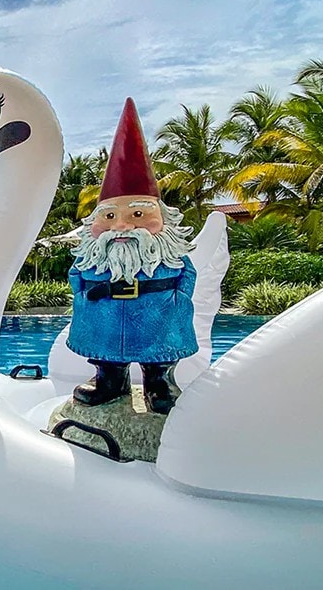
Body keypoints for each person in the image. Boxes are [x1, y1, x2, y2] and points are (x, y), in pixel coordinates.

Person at [66, 98, 197, 414]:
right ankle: (109, 379)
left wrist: (175, 303)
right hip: (104, 320)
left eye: (138, 214)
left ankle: (159, 380)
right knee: (105, 350)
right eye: (108, 217)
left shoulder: (168, 257)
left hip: (158, 319)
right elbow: (76, 279)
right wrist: (86, 299)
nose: (123, 225)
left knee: (160, 353)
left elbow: (187, 278)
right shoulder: (94, 257)